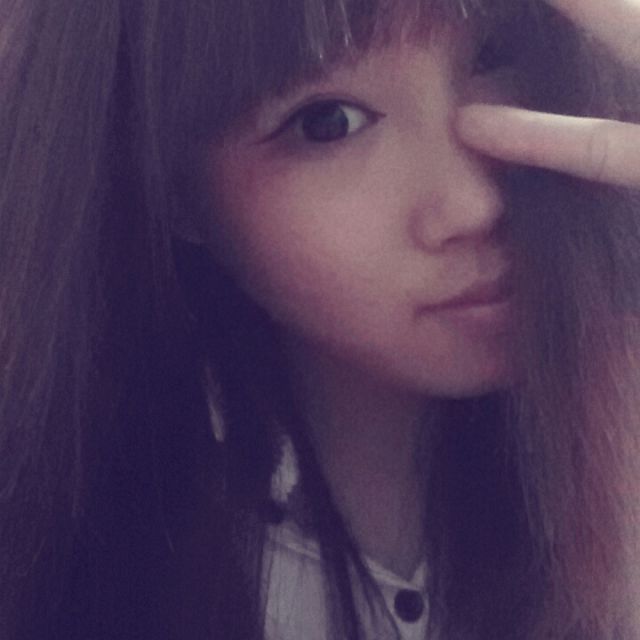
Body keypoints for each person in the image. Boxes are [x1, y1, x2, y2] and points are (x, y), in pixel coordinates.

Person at [0, 0, 639, 638]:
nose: (474, 204)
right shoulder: (66, 546)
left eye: (494, 57)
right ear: (174, 194)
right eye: (327, 122)